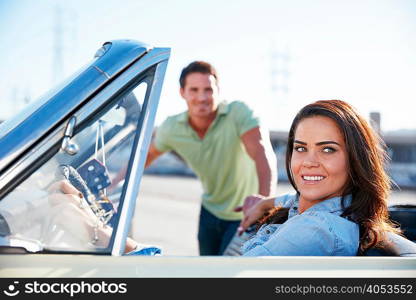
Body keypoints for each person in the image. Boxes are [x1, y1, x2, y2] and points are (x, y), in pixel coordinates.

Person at [237, 99, 401, 256]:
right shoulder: (345, 205)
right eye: (301, 148)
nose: (308, 162)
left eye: (328, 149)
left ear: (355, 160)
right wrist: (264, 204)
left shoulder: (314, 229)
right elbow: (291, 198)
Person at [145, 61, 277, 255]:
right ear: (182, 92)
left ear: (218, 90)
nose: (202, 97)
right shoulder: (172, 128)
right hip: (210, 210)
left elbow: (262, 153)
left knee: (229, 275)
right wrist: (113, 187)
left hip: (246, 212)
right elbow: (143, 158)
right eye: (194, 89)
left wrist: (264, 204)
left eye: (208, 89)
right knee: (206, 272)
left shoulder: (238, 113)